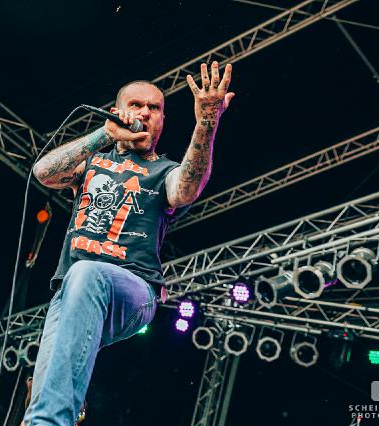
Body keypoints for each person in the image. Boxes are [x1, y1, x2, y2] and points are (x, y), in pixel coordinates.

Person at [22, 61, 235, 425]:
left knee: (87, 273)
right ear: (118, 111)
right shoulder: (93, 162)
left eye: (155, 108)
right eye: (136, 105)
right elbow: (44, 172)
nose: (145, 112)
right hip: (72, 292)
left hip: (134, 289)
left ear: (162, 121)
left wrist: (207, 121)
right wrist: (105, 133)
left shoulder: (164, 171)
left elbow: (186, 189)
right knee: (46, 385)